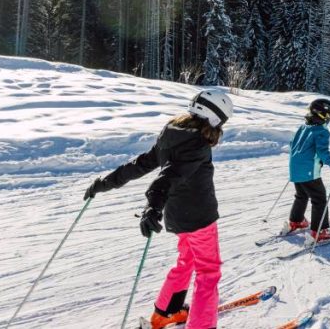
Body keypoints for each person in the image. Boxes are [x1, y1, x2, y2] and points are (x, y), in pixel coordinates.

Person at [83, 90, 234, 329]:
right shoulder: (197, 143)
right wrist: (151, 206)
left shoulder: (172, 132)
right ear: (215, 118)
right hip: (199, 218)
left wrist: (104, 183)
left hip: (177, 215)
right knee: (208, 272)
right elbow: (167, 176)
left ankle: (166, 312)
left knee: (187, 260)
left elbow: (142, 164)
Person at [283, 96, 330, 242]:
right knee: (319, 199)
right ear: (325, 115)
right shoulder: (321, 131)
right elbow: (322, 151)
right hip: (309, 171)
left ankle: (296, 221)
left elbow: (293, 145)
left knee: (302, 195)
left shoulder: (303, 127)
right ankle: (320, 231)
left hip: (295, 168)